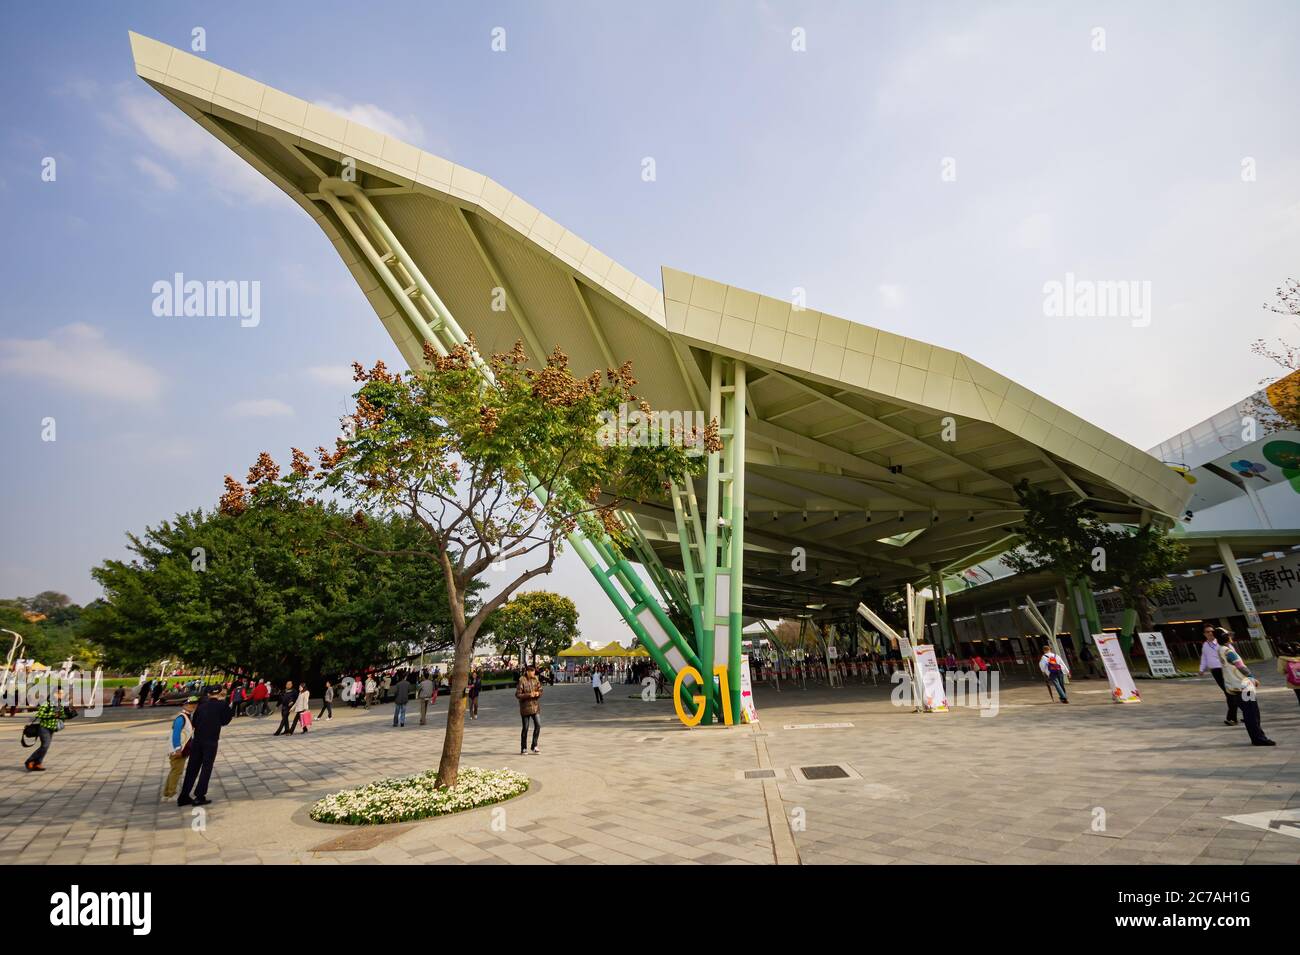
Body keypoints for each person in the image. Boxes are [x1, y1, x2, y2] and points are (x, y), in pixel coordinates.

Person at [1216, 627, 1274, 746]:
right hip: (1244, 686)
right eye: (1229, 635)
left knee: (1248, 713)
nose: (1231, 637)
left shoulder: (1220, 649)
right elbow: (1240, 666)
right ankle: (1259, 738)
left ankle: (1256, 737)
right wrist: (1252, 678)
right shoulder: (1229, 651)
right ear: (1226, 637)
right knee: (1252, 713)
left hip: (1233, 686)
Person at [177, 688, 233, 806]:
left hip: (197, 740)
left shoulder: (201, 705)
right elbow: (225, 721)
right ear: (219, 694)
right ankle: (199, 795)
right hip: (211, 740)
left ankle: (184, 795)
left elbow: (195, 722)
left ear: (209, 694)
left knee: (192, 768)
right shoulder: (222, 705)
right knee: (206, 768)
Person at [24, 689, 71, 771]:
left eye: (63, 693)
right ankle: (30, 761)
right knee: (45, 745)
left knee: (45, 746)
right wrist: (53, 714)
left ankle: (37, 763)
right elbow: (40, 714)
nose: (62, 695)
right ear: (55, 694)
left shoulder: (60, 704)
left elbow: (62, 715)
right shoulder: (47, 703)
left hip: (52, 728)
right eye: (60, 693)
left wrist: (69, 715)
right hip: (44, 728)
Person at [1199, 624, 1236, 724]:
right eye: (1207, 632)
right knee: (1229, 692)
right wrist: (1201, 668)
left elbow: (1233, 654)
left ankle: (1232, 717)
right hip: (1215, 671)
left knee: (1230, 693)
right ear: (1204, 634)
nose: (1210, 633)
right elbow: (1204, 657)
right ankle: (1238, 715)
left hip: (1226, 669)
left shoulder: (1222, 642)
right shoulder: (1205, 645)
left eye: (1212, 631)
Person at [164, 697, 197, 799]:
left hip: (182, 749)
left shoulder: (187, 717)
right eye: (190, 704)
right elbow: (176, 734)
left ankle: (167, 792)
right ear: (184, 705)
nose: (193, 706)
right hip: (178, 750)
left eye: (194, 704)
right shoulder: (181, 718)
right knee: (176, 771)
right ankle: (171, 793)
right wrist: (178, 748)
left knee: (174, 770)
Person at [516, 664, 542, 755]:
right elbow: (518, 695)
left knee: (538, 725)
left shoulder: (536, 679)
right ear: (528, 672)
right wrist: (528, 695)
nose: (533, 673)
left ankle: (534, 745)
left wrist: (537, 693)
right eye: (532, 671)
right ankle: (523, 748)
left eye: (534, 671)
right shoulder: (522, 680)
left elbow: (541, 690)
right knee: (525, 728)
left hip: (535, 707)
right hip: (525, 708)